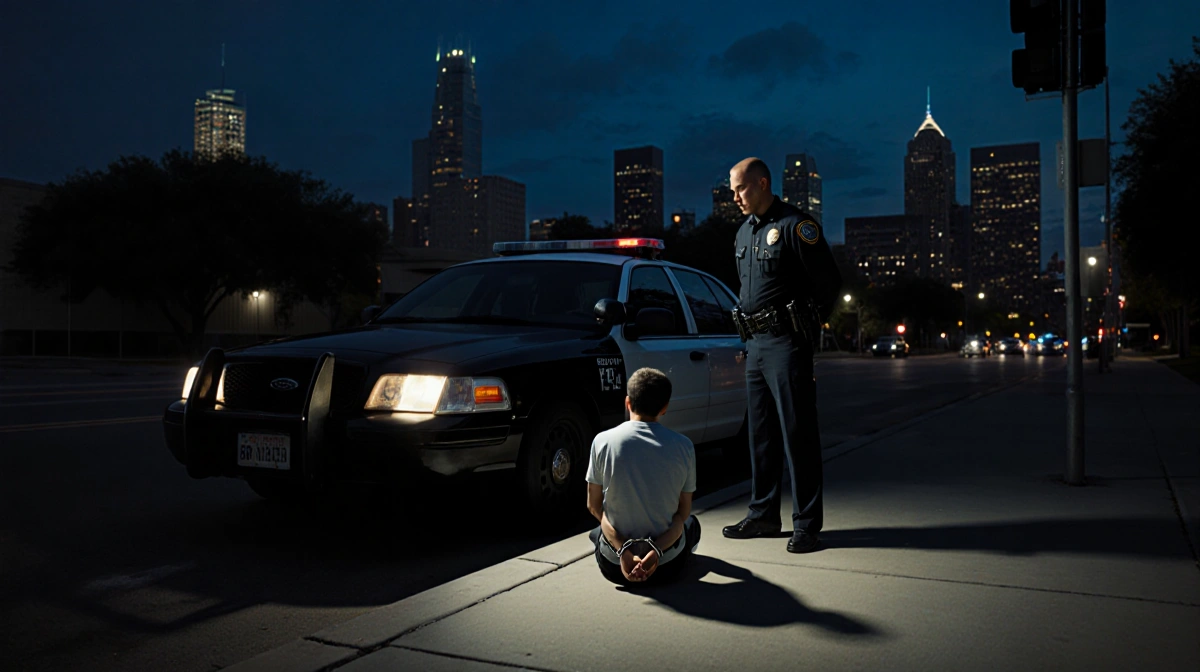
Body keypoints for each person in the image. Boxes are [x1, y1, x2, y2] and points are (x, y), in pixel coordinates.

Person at [722, 157, 842, 553]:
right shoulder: (742, 233)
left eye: (740, 188)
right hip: (754, 347)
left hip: (788, 344)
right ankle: (763, 516)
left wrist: (807, 330)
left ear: (762, 183)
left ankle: (806, 525)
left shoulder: (796, 226)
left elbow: (829, 284)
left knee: (798, 434)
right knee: (761, 436)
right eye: (732, 190)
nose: (735, 197)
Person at [586, 367, 701, 585]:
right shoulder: (683, 446)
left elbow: (594, 506)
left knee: (597, 530)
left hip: (615, 566)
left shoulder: (602, 441)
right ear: (665, 408)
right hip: (667, 566)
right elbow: (682, 514)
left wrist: (625, 551)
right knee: (692, 524)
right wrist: (655, 551)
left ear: (628, 403)